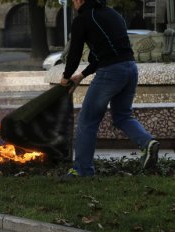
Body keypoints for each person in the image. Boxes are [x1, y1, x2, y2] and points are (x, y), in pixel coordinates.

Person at [60, 0, 159, 177]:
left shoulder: (83, 19)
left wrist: (66, 77)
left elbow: (74, 53)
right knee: (122, 116)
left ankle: (82, 170)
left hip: (111, 72)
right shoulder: (113, 14)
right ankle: (147, 142)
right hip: (130, 68)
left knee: (87, 120)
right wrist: (82, 75)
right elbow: (106, 52)